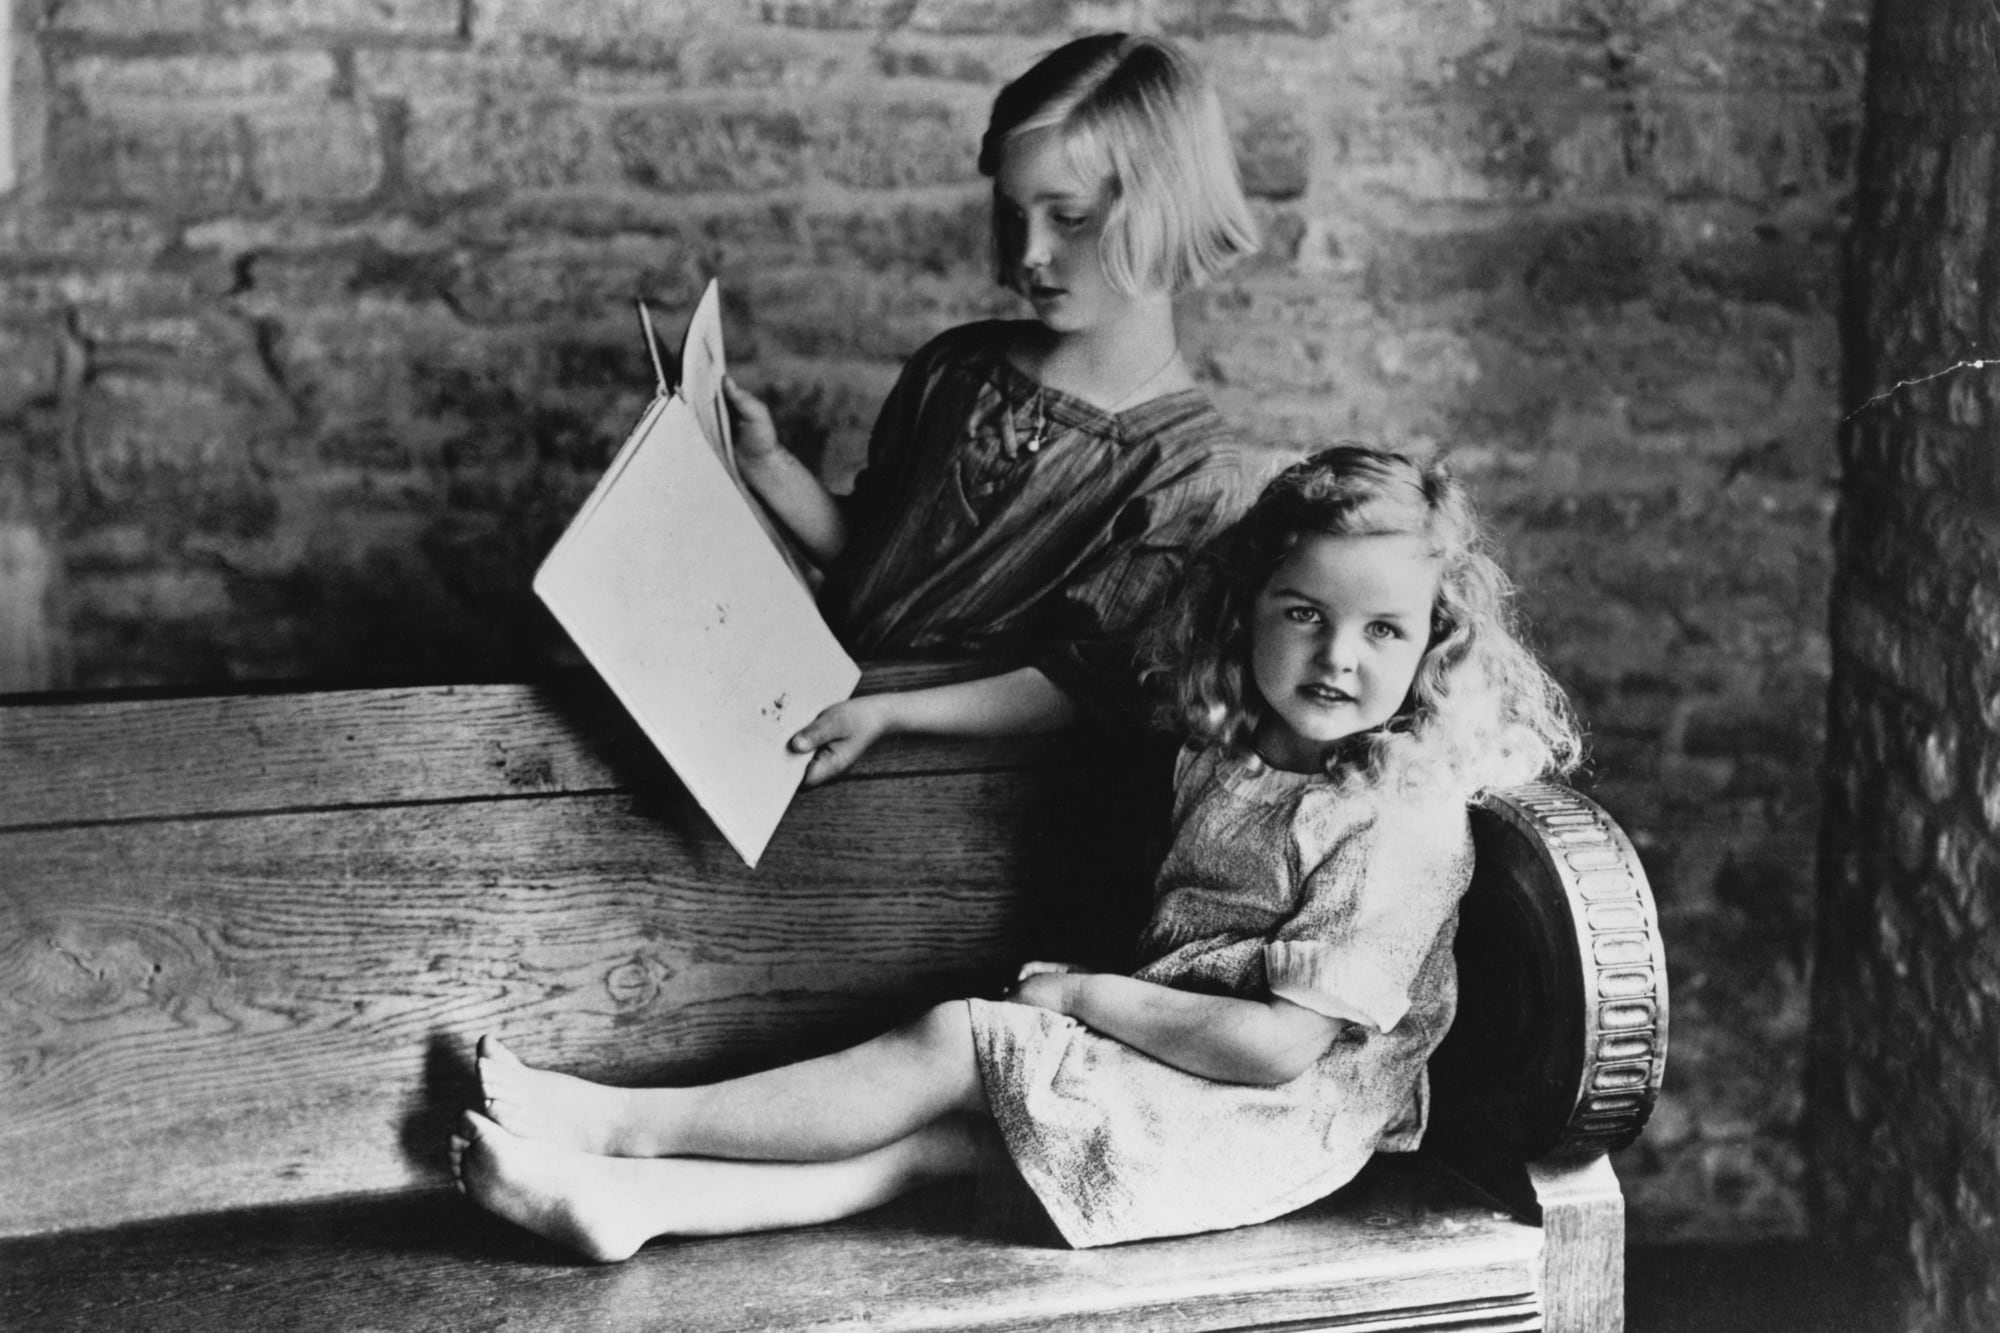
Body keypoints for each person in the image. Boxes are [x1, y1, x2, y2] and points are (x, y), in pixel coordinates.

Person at [450, 445, 1584, 1261]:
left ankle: (622, 1124)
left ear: (1434, 643)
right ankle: (631, 1203)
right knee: (920, 1152)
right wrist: (891, 713)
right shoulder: (1236, 743)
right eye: (1301, 612)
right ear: (1247, 610)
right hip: (1185, 1078)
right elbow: (1067, 693)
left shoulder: (1401, 816)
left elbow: (1276, 1052)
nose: (1336, 655)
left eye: (1383, 629)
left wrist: (1080, 996)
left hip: (1267, 1117)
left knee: (959, 1045)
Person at [722, 32, 1261, 786]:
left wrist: (890, 712)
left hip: (964, 794)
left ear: (1161, 211)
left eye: (1067, 217)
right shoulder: (958, 367)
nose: (1030, 251)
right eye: (1014, 215)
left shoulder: (1189, 474)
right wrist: (766, 466)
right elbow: (869, 560)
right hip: (821, 731)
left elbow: (1078, 690)